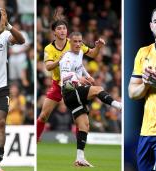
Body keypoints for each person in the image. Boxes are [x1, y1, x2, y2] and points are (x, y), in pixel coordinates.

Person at [37, 11, 106, 141]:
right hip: (58, 84)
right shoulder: (49, 48)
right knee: (43, 115)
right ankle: (35, 139)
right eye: (59, 28)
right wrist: (59, 60)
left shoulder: (74, 42)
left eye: (64, 28)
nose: (62, 31)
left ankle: (80, 152)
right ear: (54, 33)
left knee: (79, 118)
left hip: (74, 85)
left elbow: (92, 54)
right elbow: (48, 66)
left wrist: (98, 47)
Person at [59, 32, 121, 167]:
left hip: (74, 95)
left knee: (84, 125)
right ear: (70, 42)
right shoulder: (66, 58)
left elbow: (80, 66)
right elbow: (64, 78)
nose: (77, 44)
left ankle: (80, 158)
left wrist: (87, 75)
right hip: (69, 91)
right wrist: (78, 78)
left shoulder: (80, 52)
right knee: (98, 89)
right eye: (74, 41)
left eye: (79, 41)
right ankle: (118, 106)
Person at [128, 6, 156, 171]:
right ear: (151, 25)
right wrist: (146, 85)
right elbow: (132, 93)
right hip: (146, 132)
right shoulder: (143, 53)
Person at [0, 8, 25, 171]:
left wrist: (9, 26)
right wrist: (0, 31)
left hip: (1, 88)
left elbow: (22, 40)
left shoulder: (3, 34)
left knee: (1, 123)